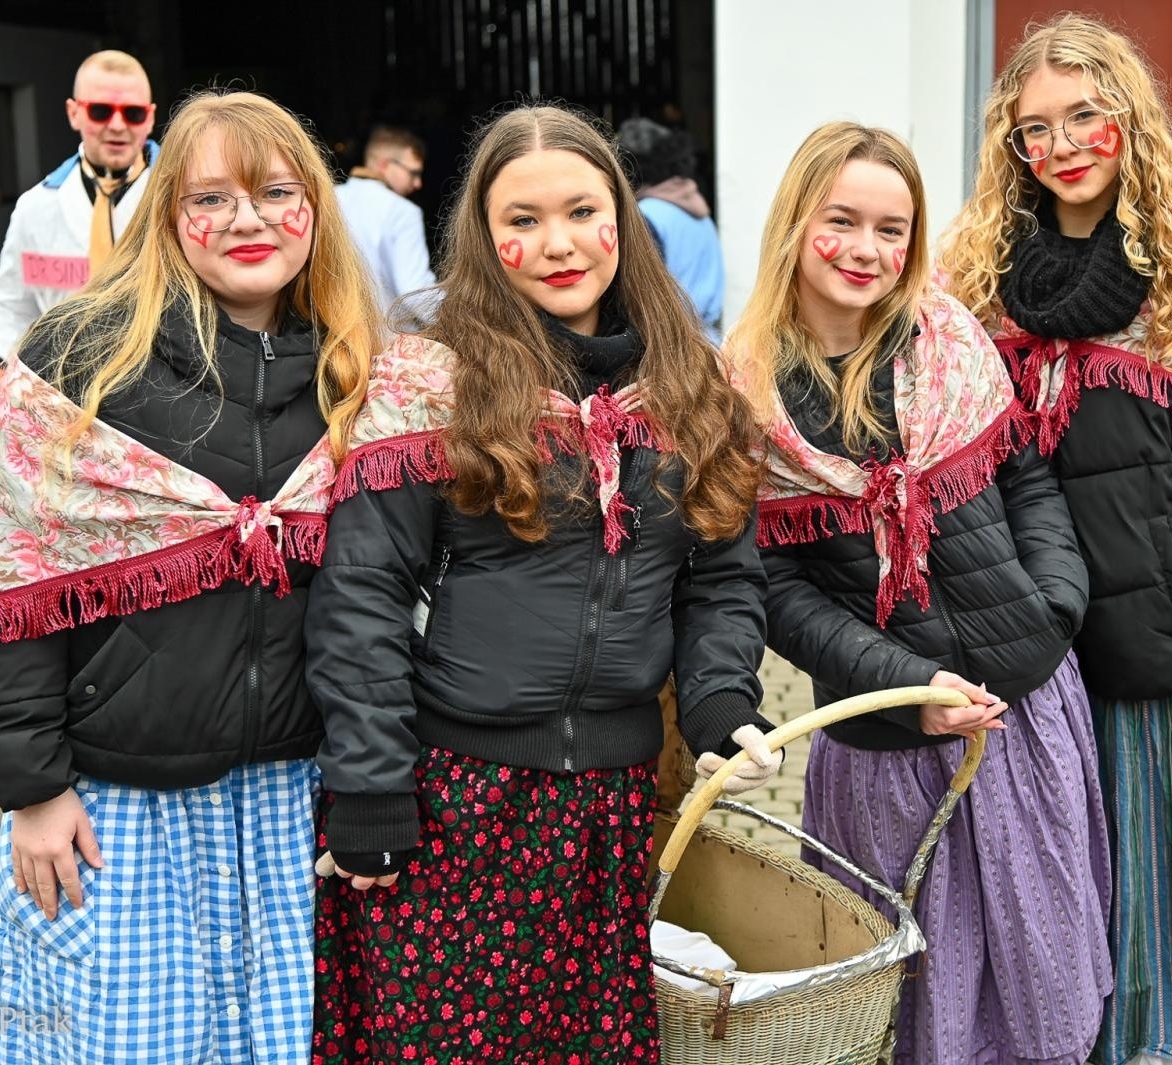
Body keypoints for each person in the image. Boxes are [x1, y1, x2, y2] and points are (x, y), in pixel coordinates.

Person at [304, 103, 778, 1064]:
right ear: (485, 237)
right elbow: (361, 595)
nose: (557, 243)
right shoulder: (433, 379)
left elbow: (721, 576)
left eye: (579, 210)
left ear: (623, 219)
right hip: (454, 799)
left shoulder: (692, 384)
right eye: (521, 220)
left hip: (607, 804)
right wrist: (369, 786)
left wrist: (725, 698)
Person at [0, 90, 379, 1063]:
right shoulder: (79, 360)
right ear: (167, 217)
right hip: (116, 807)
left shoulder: (361, 374)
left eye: (276, 191)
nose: (248, 220)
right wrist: (30, 788)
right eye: (211, 197)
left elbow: (390, 593)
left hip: (294, 802)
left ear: (314, 204)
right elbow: (7, 585)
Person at [725, 121, 1111, 1065]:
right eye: (842, 220)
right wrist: (906, 683)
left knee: (1043, 976)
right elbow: (771, 588)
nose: (868, 250)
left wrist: (1055, 601)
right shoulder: (743, 396)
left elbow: (1025, 477)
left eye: (892, 229)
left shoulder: (948, 339)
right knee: (910, 996)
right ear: (794, 224)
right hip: (888, 740)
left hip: (1024, 712)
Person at [943, 14, 1172, 1065]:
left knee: (1143, 909)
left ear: (1129, 121)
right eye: (1034, 128)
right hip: (1021, 661)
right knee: (1037, 902)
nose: (1061, 146)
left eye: (1086, 114)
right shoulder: (972, 283)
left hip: (1147, 671)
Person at [0, 50, 159, 404]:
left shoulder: (182, 198)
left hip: (162, 396)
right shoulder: (36, 207)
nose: (117, 125)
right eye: (100, 111)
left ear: (149, 118)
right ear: (74, 112)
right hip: (63, 397)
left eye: (132, 113)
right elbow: (11, 301)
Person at [617, 117, 725, 341]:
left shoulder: (646, 217)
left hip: (674, 348)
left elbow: (640, 293)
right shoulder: (699, 211)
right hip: (711, 342)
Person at [334, 123, 437, 313]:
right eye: (413, 173)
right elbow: (415, 293)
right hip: (388, 338)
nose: (418, 183)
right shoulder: (404, 211)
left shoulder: (331, 198)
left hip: (331, 334)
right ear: (384, 165)